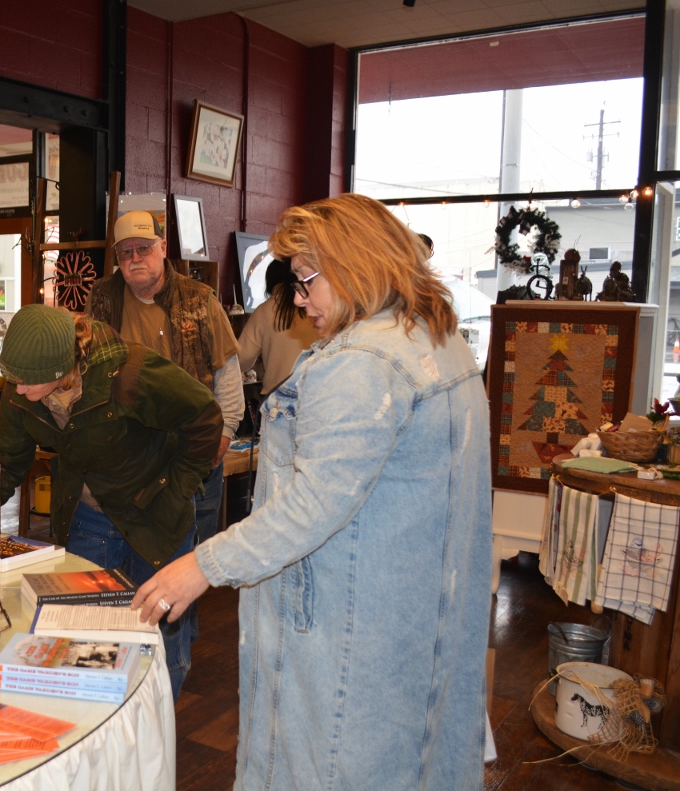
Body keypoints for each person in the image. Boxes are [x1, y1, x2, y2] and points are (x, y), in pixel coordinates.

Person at [132, 194, 492, 788]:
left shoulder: (362, 363)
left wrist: (201, 566)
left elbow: (312, 503)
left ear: (354, 263)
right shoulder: (438, 340)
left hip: (347, 622)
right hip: (414, 614)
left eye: (305, 280)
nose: (298, 300)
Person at [0, 305, 223, 701]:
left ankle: (155, 737)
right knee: (86, 638)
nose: (16, 389)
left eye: (26, 382)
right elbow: (6, 461)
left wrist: (177, 488)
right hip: (89, 516)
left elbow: (205, 417)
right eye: (13, 378)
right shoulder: (22, 387)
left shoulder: (133, 373)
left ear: (61, 371)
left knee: (160, 639)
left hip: (157, 516)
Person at [86, 210, 243, 548]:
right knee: (130, 558)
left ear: (162, 247)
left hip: (190, 453)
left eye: (144, 248)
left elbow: (228, 376)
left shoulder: (200, 300)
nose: (135, 258)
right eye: (126, 252)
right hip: (126, 459)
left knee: (189, 559)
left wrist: (224, 435)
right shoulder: (101, 299)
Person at [237, 258, 320, 396]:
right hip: (315, 394)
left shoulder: (264, 311)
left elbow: (241, 360)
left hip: (276, 398)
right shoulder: (315, 307)